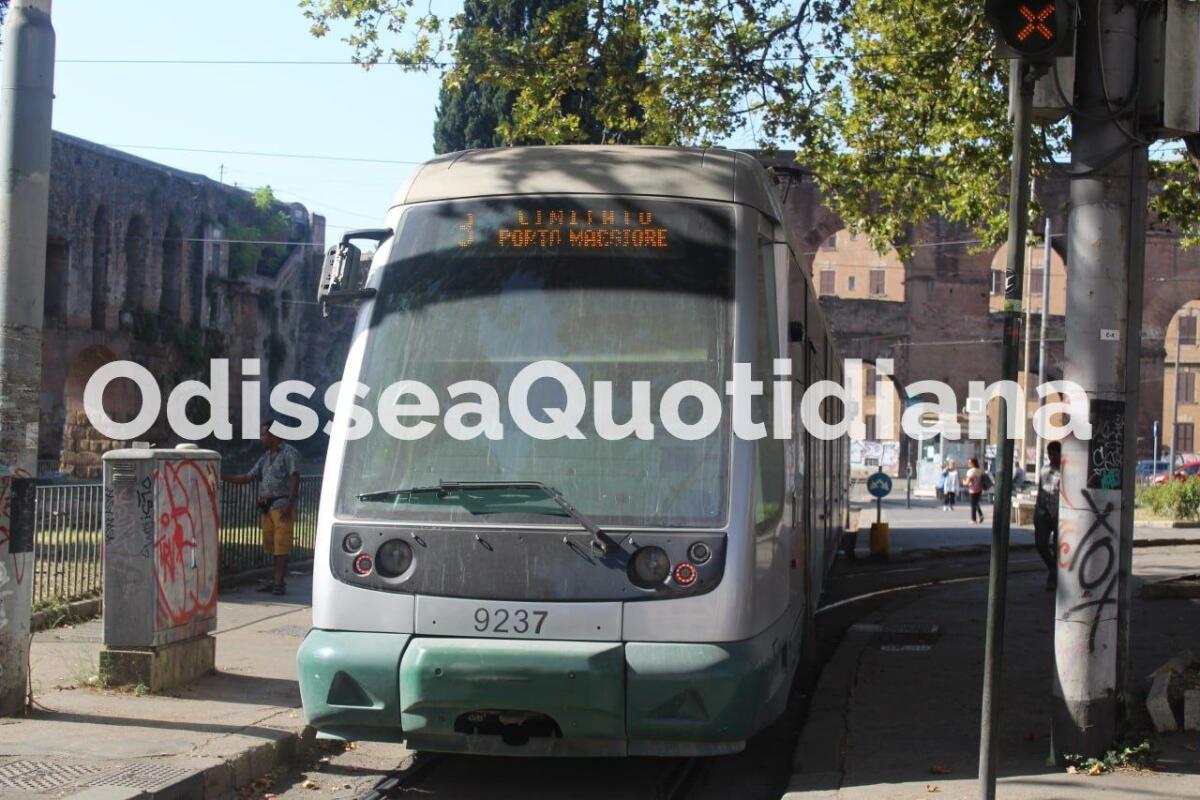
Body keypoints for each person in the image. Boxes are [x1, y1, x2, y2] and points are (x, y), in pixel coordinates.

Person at [223, 423, 301, 595]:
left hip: (281, 505)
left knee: (282, 545)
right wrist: (222, 476)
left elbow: (295, 477)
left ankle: (278, 583)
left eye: (264, 434)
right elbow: (248, 477)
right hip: (267, 507)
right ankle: (275, 580)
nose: (261, 438)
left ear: (274, 435)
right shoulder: (266, 457)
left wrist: (290, 503)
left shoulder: (289, 453)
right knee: (271, 546)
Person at [1034, 442, 1063, 591]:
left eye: (1054, 454)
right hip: (1043, 513)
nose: (1052, 457)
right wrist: (1038, 510)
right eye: (1050, 454)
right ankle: (1054, 570)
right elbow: (1041, 491)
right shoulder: (1044, 470)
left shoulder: (1066, 471)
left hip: (1059, 515)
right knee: (1040, 544)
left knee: (1057, 548)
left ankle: (1053, 577)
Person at [965, 457, 986, 524]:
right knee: (976, 503)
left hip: (972, 490)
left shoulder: (971, 471)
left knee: (973, 505)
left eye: (969, 462)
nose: (968, 464)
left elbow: (967, 482)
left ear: (973, 463)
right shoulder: (979, 470)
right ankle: (981, 515)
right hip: (979, 489)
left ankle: (973, 519)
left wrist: (963, 482)